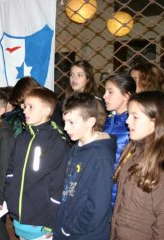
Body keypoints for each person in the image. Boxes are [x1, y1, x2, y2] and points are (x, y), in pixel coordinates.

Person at [5, 87, 70, 240]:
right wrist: (11, 199)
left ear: (47, 110)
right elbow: (11, 171)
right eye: (25, 107)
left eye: (31, 107)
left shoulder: (56, 142)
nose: (25, 111)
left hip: (42, 225)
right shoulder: (22, 137)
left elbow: (59, 185)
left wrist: (51, 222)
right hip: (20, 221)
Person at [54, 93, 116, 240]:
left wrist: (70, 227)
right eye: (64, 122)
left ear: (90, 121)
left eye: (71, 122)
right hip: (66, 229)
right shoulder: (77, 147)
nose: (65, 128)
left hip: (84, 234)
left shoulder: (101, 158)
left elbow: (97, 207)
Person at [110, 91, 164, 240]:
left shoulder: (159, 163)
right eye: (128, 115)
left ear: (156, 121)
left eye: (135, 116)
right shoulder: (133, 151)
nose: (127, 121)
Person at [102, 74, 136, 207]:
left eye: (110, 92)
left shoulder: (132, 127)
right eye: (105, 91)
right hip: (103, 189)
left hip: (120, 195)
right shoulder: (107, 122)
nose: (105, 96)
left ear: (126, 96)